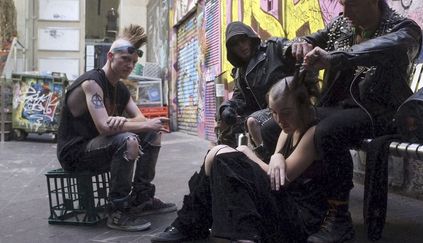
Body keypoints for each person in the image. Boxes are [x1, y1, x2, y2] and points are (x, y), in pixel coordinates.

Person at [288, 0, 422, 242]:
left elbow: (387, 47)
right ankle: (308, 208)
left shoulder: (404, 29)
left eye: (353, 5)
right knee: (282, 121)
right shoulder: (342, 25)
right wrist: (302, 44)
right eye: (343, 4)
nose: (346, 12)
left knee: (329, 131)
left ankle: (339, 219)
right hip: (341, 109)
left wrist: (335, 58)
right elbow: (308, 39)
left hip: (379, 112)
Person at [151, 71, 327, 243]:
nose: (279, 119)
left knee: (227, 160)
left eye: (286, 112)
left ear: (303, 105)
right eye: (274, 112)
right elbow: (276, 157)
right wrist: (277, 157)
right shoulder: (290, 127)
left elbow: (281, 179)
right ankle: (194, 225)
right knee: (218, 154)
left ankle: (193, 225)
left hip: (297, 220)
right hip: (282, 203)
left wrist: (247, 152)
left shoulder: (312, 133)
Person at [56, 24, 176, 231]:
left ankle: (142, 198)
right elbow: (104, 127)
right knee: (128, 140)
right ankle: (118, 211)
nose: (130, 65)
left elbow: (139, 118)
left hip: (100, 147)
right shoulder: (92, 83)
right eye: (125, 60)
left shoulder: (120, 89)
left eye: (133, 62)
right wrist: (129, 125)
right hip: (75, 153)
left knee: (152, 133)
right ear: (110, 57)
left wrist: (123, 122)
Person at [216, 21, 295, 161]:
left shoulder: (272, 48)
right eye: (235, 44)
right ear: (231, 49)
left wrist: (298, 47)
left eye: (243, 40)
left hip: (287, 106)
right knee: (224, 125)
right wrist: (227, 108)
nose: (241, 46)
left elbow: (293, 47)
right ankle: (232, 164)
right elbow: (240, 98)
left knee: (253, 121)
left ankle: (268, 163)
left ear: (250, 38)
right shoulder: (240, 72)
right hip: (263, 111)